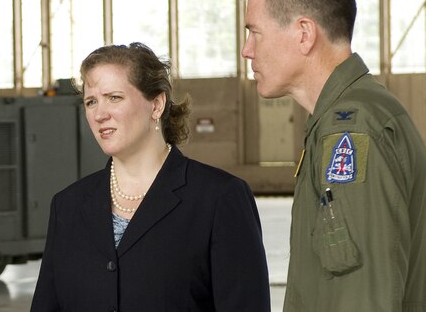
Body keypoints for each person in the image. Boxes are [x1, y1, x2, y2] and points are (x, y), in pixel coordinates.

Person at [241, 0, 426, 311]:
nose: (247, 50)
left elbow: (364, 292)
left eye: (254, 32)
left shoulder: (351, 127)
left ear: (304, 33)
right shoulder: (344, 118)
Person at [31, 42, 270, 312]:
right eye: (91, 102)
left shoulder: (218, 199)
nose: (99, 114)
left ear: (156, 105)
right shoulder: (67, 206)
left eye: (114, 97)